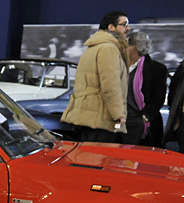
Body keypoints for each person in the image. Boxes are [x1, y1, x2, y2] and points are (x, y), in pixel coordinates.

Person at [61, 11, 130, 143]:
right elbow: (111, 85)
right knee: (100, 159)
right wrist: (118, 114)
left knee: (86, 158)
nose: (128, 28)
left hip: (89, 115)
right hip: (101, 116)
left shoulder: (93, 47)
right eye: (124, 24)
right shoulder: (108, 48)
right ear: (111, 27)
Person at [123, 30, 168, 147]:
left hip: (142, 122)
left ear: (136, 47)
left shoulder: (157, 69)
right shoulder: (118, 66)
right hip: (121, 121)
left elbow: (158, 97)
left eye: (127, 45)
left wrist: (145, 117)